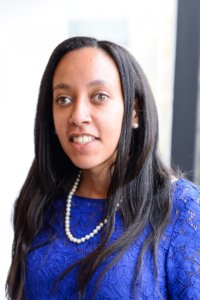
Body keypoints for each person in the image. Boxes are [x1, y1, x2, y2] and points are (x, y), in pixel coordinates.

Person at [6, 36, 200, 300]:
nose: (77, 115)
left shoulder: (181, 209)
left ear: (134, 111)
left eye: (99, 96)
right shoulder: (39, 201)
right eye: (63, 99)